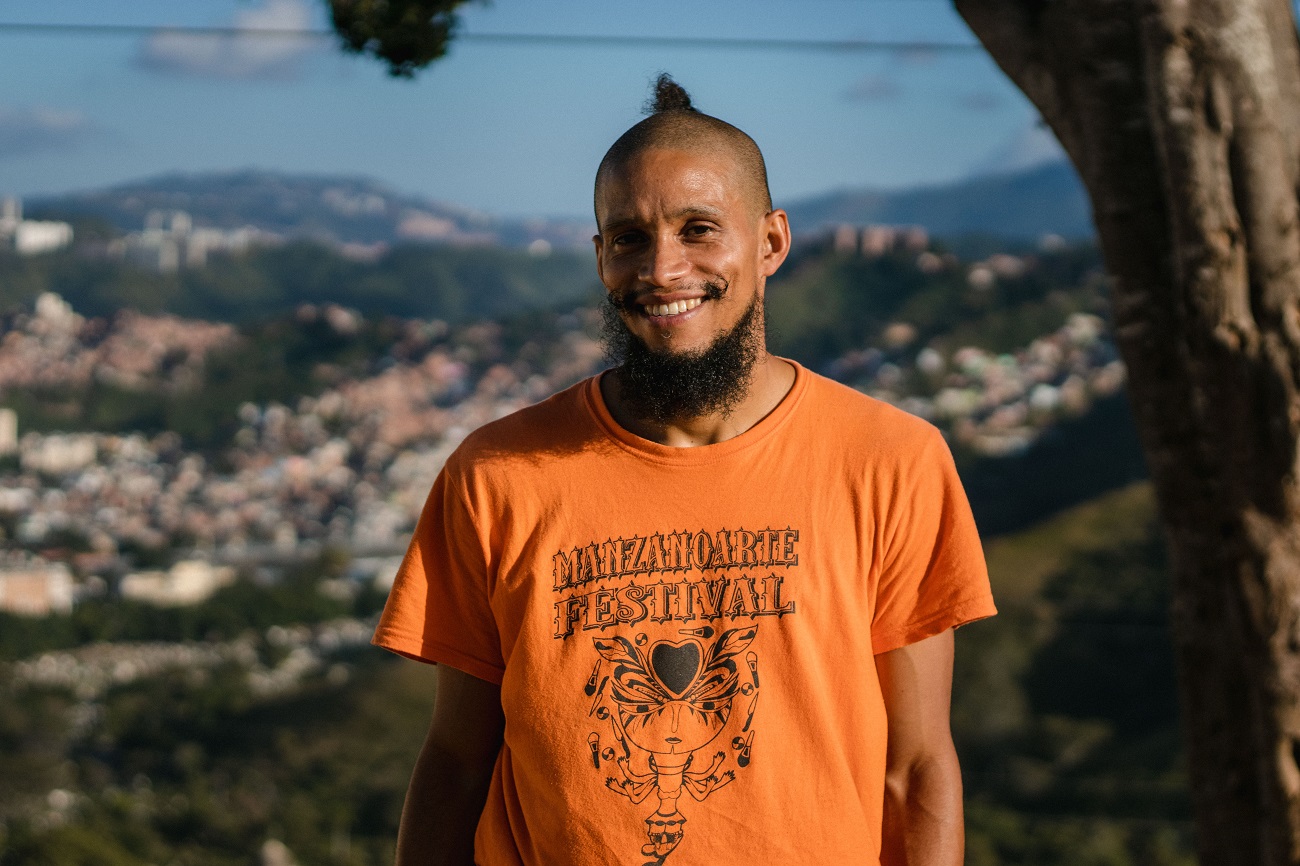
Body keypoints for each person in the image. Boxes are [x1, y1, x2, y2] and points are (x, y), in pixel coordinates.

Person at [373, 74, 996, 866]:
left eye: (699, 229)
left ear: (771, 242)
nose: (663, 269)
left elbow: (917, 769)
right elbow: (457, 761)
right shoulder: (498, 475)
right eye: (629, 238)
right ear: (601, 258)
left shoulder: (889, 460)